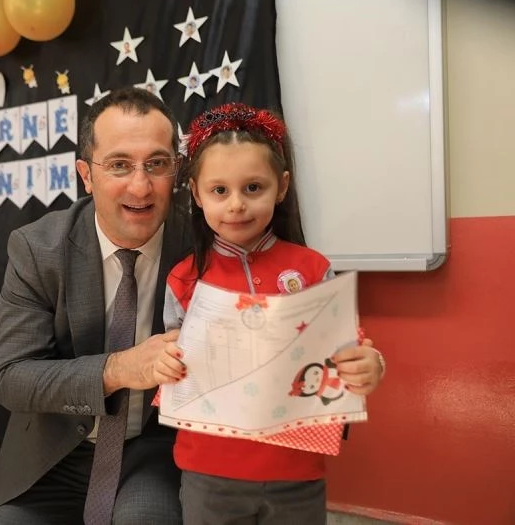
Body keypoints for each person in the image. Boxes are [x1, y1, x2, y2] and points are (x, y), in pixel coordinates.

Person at [154, 102, 386, 524]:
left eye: (253, 188)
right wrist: (164, 363)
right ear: (196, 194)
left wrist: (371, 364)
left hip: (297, 469)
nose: (236, 205)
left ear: (281, 187)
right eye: (219, 191)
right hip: (209, 471)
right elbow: (172, 365)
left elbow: (347, 350)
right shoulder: (183, 279)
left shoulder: (312, 268)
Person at [0, 87, 190, 524]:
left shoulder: (204, 244)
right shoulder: (38, 248)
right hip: (55, 453)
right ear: (86, 174)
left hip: (155, 450)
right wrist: (117, 370)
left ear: (176, 169)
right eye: (119, 164)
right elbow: (12, 377)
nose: (141, 186)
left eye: (157, 164)